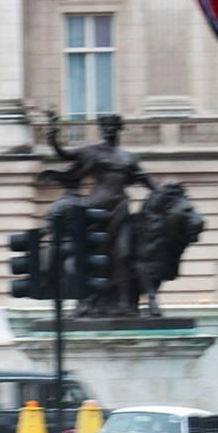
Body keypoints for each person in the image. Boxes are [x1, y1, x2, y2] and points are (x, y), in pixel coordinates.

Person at [38, 112, 160, 316]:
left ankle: (124, 302)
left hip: (120, 209)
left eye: (113, 127)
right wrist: (53, 136)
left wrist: (164, 194)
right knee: (87, 255)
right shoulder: (92, 151)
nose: (109, 130)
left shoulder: (128, 157)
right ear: (101, 129)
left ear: (118, 129)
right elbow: (65, 154)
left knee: (124, 253)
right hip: (96, 211)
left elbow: (146, 179)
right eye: (106, 127)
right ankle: (86, 301)